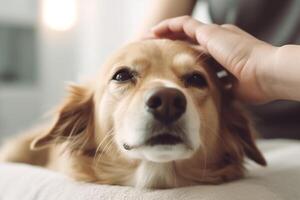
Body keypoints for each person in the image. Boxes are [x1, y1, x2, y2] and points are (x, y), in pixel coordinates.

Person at [137, 0, 300, 138]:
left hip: (238, 131)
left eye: (195, 79)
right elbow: (146, 46)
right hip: (249, 128)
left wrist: (262, 68)